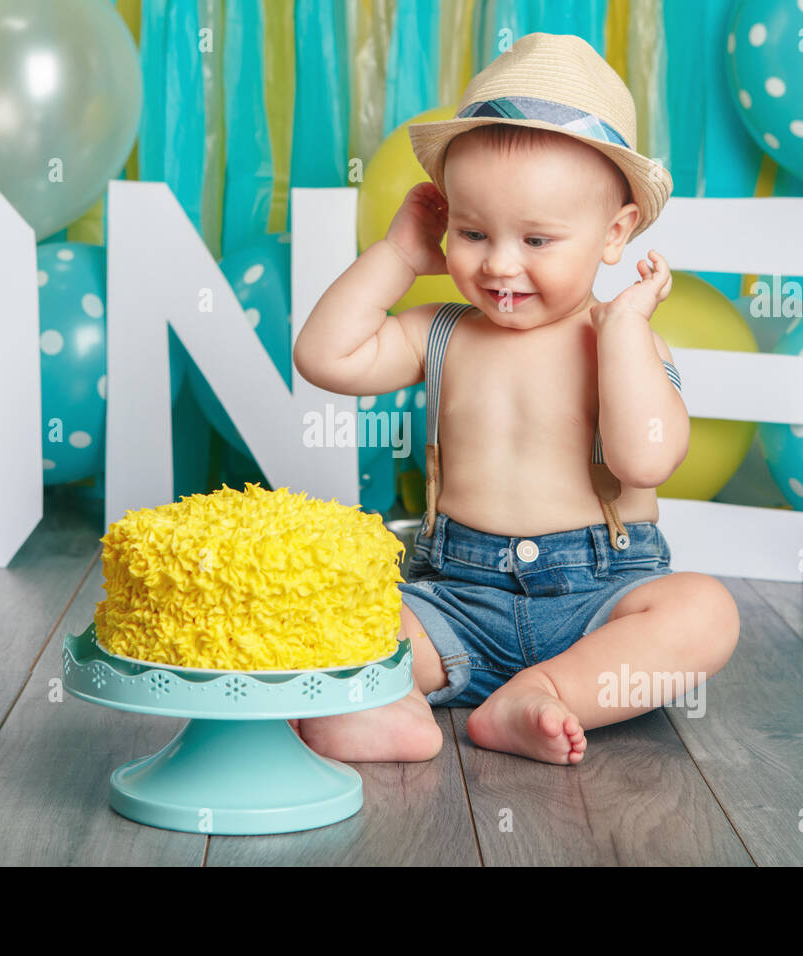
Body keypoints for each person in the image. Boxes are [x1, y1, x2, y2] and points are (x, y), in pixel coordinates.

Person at [291, 32, 739, 765]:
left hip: (600, 600)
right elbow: (324, 357)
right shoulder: (440, 332)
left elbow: (646, 459)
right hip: (454, 598)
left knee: (704, 614)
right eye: (472, 232)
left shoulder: (619, 339)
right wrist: (401, 254)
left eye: (536, 239)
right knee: (339, 613)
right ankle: (396, 704)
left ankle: (550, 692)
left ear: (614, 233)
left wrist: (626, 327)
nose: (500, 263)